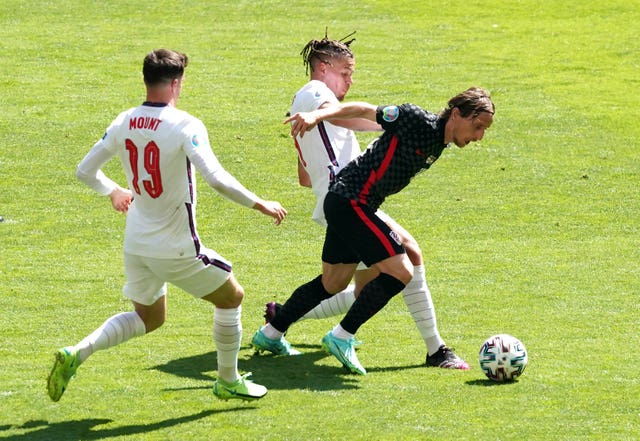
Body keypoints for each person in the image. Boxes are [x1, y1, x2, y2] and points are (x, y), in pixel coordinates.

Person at [46, 49, 287, 402]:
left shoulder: (124, 120)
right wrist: (260, 203)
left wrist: (113, 190)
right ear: (177, 83)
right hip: (175, 246)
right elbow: (216, 178)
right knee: (232, 296)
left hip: (136, 244)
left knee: (149, 318)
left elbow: (84, 171)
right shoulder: (185, 124)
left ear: (146, 81)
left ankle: (76, 352)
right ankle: (228, 379)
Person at [255, 34, 469, 370]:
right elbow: (337, 114)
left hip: (342, 196)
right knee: (406, 258)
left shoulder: (304, 106)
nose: (350, 81)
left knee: (344, 283)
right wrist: (392, 126)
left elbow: (304, 177)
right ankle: (434, 349)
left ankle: (275, 324)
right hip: (350, 196)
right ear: (323, 68)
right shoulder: (316, 95)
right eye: (345, 72)